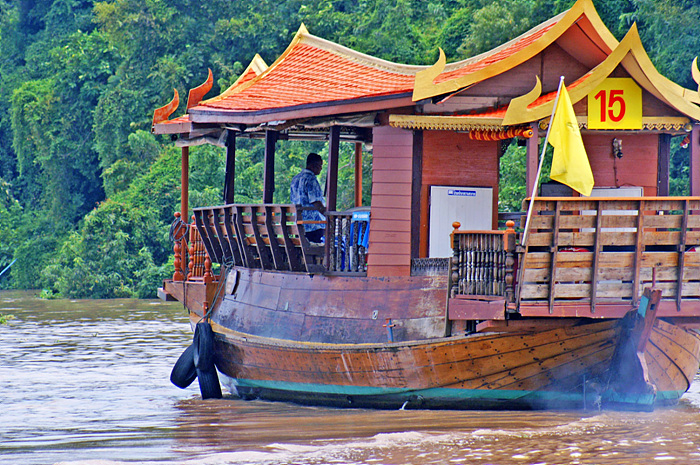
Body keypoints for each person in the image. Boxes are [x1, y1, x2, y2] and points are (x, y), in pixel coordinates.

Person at [290, 153, 326, 243]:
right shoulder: (311, 179)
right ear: (314, 166)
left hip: (297, 225)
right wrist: (327, 214)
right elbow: (316, 202)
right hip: (312, 227)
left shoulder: (295, 179)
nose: (321, 168)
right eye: (320, 166)